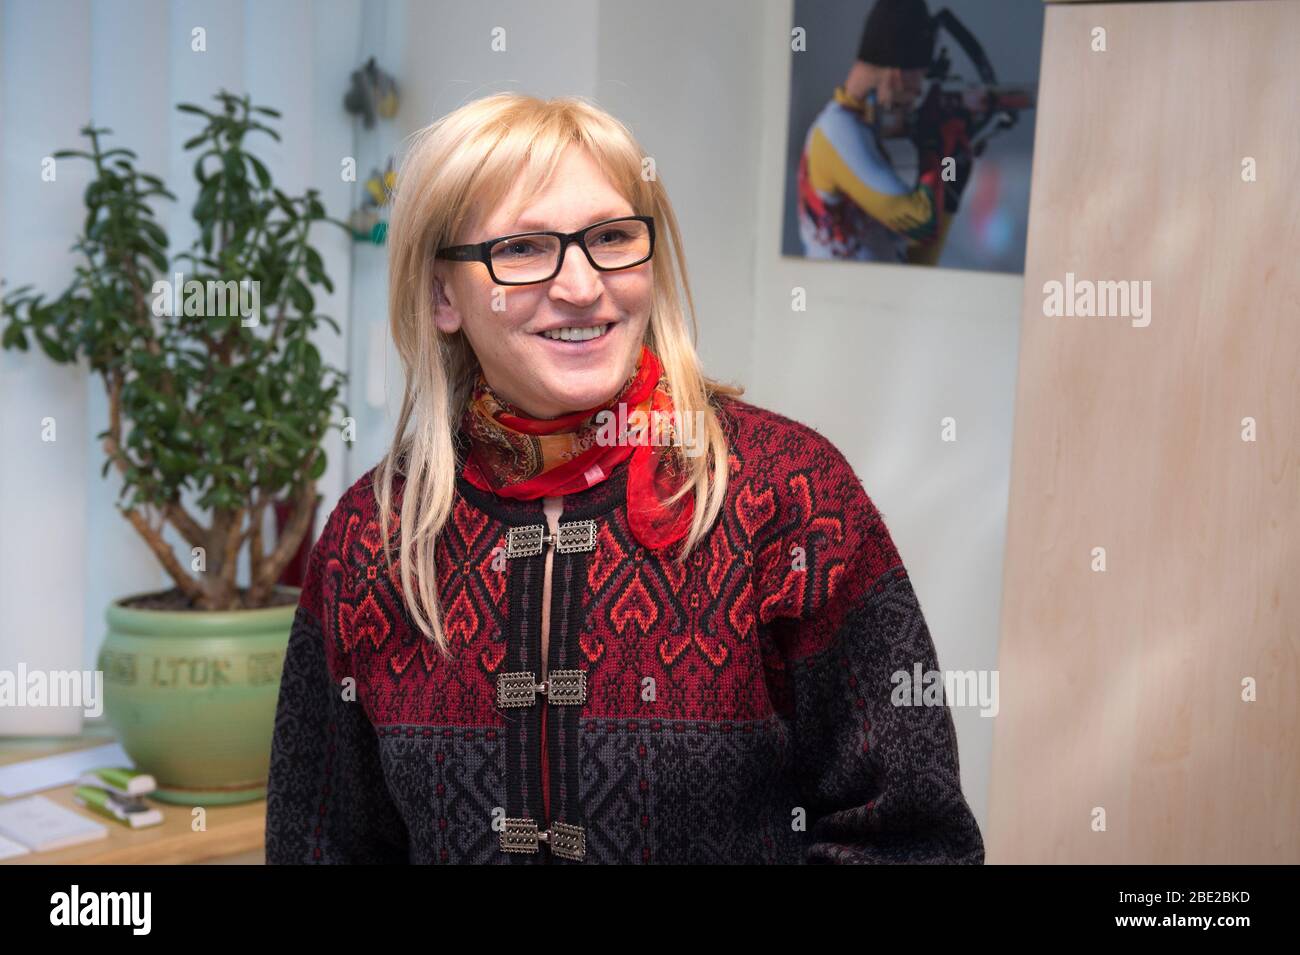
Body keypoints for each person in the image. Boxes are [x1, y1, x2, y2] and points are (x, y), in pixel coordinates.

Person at [264, 90, 984, 864]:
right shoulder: (370, 538)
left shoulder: (792, 500)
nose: (580, 286)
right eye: (524, 248)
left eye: (610, 236)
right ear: (444, 293)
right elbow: (320, 843)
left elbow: (918, 841)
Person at [797, 0, 975, 263]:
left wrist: (948, 189)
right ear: (897, 76)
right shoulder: (838, 131)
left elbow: (911, 268)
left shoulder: (858, 134)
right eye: (917, 84)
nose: (916, 96)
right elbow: (920, 222)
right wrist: (933, 147)